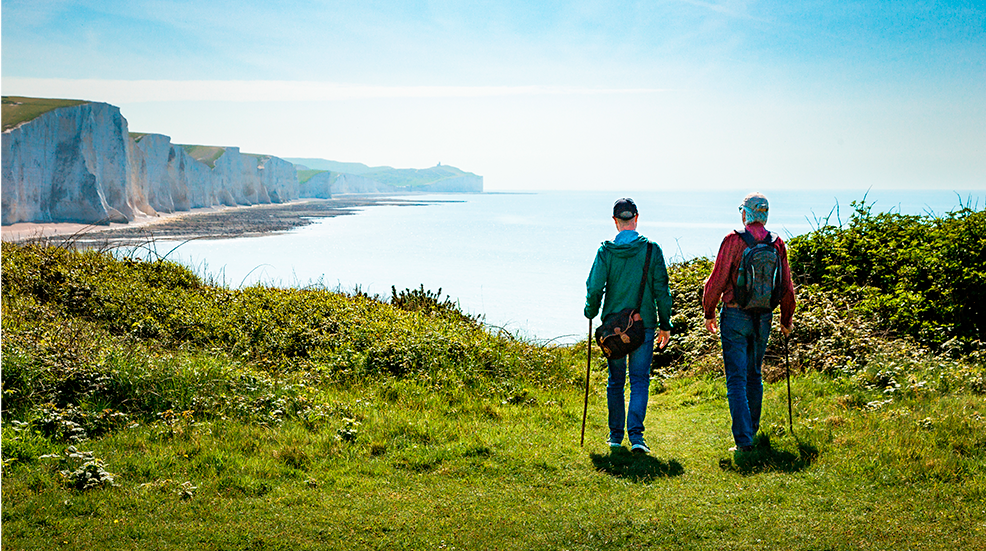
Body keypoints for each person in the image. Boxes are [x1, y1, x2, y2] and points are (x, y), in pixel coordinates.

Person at [703, 192, 796, 453]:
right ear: (765, 214)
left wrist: (709, 311)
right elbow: (787, 287)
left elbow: (717, 280)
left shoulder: (733, 240)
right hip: (764, 316)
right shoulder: (777, 243)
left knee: (736, 378)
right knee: (755, 374)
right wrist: (786, 319)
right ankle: (752, 431)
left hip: (734, 314)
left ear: (745, 212)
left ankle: (744, 440)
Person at [585, 198, 672, 454]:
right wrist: (665, 324)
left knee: (615, 382)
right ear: (636, 218)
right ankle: (636, 438)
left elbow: (594, 287)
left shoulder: (606, 251)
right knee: (640, 381)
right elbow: (662, 291)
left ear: (615, 221)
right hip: (643, 326)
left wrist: (590, 311)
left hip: (613, 329)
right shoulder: (652, 250)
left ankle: (614, 437)